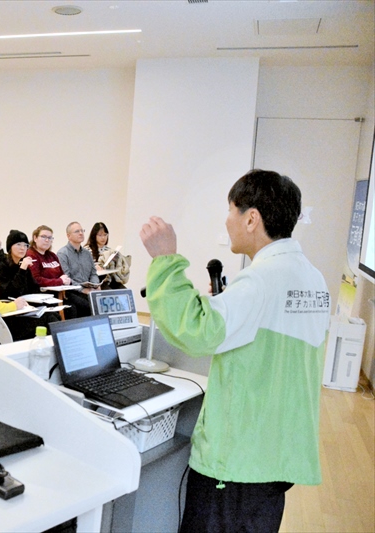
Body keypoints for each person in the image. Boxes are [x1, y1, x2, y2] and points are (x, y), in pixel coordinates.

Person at [139, 169, 331, 532]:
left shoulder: (261, 280)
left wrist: (165, 260)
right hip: (274, 458)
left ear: (251, 217)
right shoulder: (312, 278)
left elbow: (195, 331)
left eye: (230, 211)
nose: (227, 222)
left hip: (236, 465)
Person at [24, 225, 85, 317]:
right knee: (72, 309)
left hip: (61, 292)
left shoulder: (52, 255)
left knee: (86, 303)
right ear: (35, 238)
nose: (47, 240)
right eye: (43, 237)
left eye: (50, 238)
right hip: (44, 295)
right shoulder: (31, 255)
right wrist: (59, 281)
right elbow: (36, 279)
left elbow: (62, 274)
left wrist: (66, 279)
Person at [57, 221, 99, 317]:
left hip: (89, 289)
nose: (81, 233)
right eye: (77, 231)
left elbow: (93, 273)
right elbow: (66, 278)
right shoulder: (63, 253)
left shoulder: (87, 253)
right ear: (68, 236)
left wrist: (95, 285)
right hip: (73, 291)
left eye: (82, 230)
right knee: (90, 306)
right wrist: (82, 289)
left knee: (104, 302)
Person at [85, 221, 131, 288]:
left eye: (105, 235)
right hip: (97, 282)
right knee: (108, 290)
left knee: (123, 290)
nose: (103, 238)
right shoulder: (87, 250)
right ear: (94, 236)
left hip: (111, 280)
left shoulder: (109, 250)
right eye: (100, 235)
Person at [0, 230, 39, 299]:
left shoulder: (23, 263)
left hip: (25, 302)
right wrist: (22, 269)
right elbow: (11, 292)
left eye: (25, 245)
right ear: (10, 247)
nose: (22, 248)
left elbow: (34, 288)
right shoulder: (1, 265)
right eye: (18, 244)